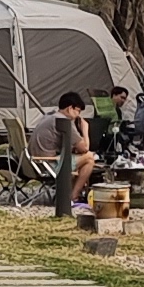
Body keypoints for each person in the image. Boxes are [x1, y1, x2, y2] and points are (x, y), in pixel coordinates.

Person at [48, 87, 96, 216]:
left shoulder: (50, 117)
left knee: (81, 158)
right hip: (50, 164)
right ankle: (73, 196)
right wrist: (85, 129)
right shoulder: (64, 122)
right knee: (89, 158)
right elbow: (85, 148)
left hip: (37, 162)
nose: (78, 115)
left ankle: (72, 194)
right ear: (70, 108)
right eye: (78, 111)